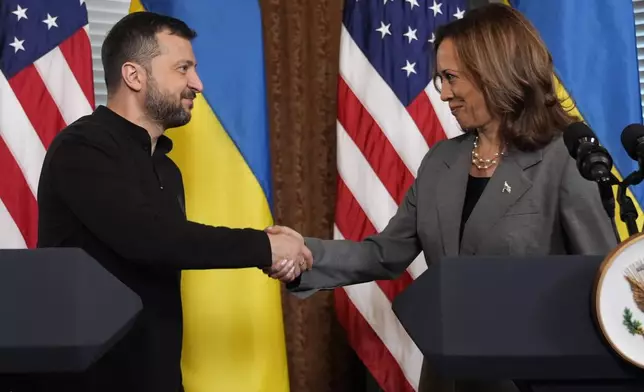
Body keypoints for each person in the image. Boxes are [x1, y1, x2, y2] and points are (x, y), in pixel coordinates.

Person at [264, 4, 617, 392]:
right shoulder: (441, 161)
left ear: (495, 72)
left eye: (451, 78)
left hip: (529, 380)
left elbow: (602, 283)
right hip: (446, 379)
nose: (444, 93)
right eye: (440, 79)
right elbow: (384, 253)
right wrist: (306, 255)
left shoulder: (564, 157)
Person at [16, 11, 310, 392]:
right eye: (183, 68)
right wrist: (265, 246)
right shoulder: (82, 148)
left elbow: (167, 255)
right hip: (87, 381)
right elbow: (151, 239)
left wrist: (277, 253)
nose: (198, 84)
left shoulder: (167, 169)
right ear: (134, 75)